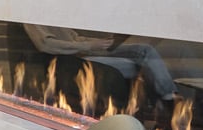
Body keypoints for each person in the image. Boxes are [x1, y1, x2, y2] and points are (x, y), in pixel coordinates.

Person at [22, 23, 176, 119]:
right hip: (73, 60)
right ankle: (162, 108)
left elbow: (74, 38)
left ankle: (168, 98)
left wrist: (97, 43)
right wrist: (88, 46)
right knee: (134, 66)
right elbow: (45, 44)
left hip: (85, 51)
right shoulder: (33, 19)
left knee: (145, 50)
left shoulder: (54, 14)